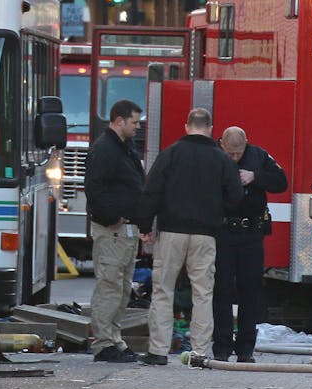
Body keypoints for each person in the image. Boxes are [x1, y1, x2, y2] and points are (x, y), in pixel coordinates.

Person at [134, 107, 241, 366]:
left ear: (186, 126)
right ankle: (200, 353)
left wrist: (145, 226)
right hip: (206, 235)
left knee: (163, 290)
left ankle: (158, 351)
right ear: (211, 129)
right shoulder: (222, 159)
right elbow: (235, 198)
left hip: (171, 231)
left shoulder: (169, 155)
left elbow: (151, 192)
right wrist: (217, 214)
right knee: (203, 292)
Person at [213, 126, 288, 363]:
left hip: (251, 233)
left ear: (246, 143)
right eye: (231, 153)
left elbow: (281, 182)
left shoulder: (259, 156)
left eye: (239, 152)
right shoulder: (214, 156)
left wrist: (255, 177)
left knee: (250, 290)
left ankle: (246, 348)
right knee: (221, 290)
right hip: (223, 232)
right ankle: (222, 346)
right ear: (222, 144)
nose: (235, 157)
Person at [83, 99, 146, 363]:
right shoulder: (105, 149)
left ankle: (115, 338)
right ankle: (103, 343)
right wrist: (113, 217)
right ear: (119, 121)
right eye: (134, 122)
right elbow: (95, 188)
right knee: (109, 285)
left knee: (121, 288)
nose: (137, 128)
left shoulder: (123, 147)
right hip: (113, 230)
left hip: (126, 230)